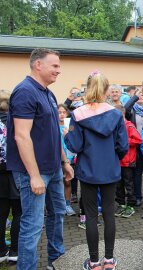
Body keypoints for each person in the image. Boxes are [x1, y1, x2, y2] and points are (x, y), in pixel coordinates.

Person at [6, 48, 74, 270]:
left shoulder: (48, 93)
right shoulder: (25, 92)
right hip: (33, 173)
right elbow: (21, 136)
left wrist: (64, 162)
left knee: (57, 215)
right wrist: (34, 176)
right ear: (38, 65)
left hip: (53, 168)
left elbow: (54, 131)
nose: (59, 71)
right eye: (54, 66)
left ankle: (56, 262)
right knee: (33, 225)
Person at [65, 71, 128, 270]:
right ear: (107, 90)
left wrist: (68, 136)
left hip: (88, 170)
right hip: (109, 169)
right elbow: (123, 146)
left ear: (88, 87)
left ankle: (94, 262)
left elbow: (74, 146)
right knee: (109, 213)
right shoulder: (116, 114)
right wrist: (111, 157)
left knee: (91, 216)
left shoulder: (78, 114)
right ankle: (109, 260)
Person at [0, 89, 21, 264]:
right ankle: (15, 251)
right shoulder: (16, 121)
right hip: (16, 171)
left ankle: (1, 251)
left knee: (1, 213)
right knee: (18, 213)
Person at [114, 105, 142, 218]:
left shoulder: (129, 125)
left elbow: (138, 140)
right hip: (117, 161)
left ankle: (130, 206)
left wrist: (124, 141)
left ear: (122, 114)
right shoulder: (114, 127)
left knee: (129, 184)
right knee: (118, 185)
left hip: (128, 161)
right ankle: (121, 204)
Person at [58, 104, 76, 216]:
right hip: (57, 158)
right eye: (59, 112)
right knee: (56, 183)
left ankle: (67, 205)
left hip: (69, 158)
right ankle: (57, 206)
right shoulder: (52, 125)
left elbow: (74, 139)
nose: (61, 114)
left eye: (63, 112)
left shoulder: (70, 126)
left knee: (67, 181)